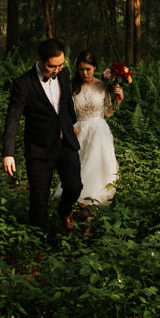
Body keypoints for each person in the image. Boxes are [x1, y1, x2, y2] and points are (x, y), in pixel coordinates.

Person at [2, 39, 82, 235]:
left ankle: (64, 211)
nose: (57, 70)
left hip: (65, 144)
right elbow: (12, 118)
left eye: (60, 65)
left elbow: (67, 102)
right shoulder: (23, 84)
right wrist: (8, 153)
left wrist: (72, 122)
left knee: (74, 187)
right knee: (39, 200)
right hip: (39, 149)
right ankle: (38, 243)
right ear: (39, 60)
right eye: (52, 66)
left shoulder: (64, 74)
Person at [56, 50, 122, 206]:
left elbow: (108, 111)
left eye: (88, 69)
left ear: (95, 68)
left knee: (96, 166)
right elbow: (65, 111)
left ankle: (92, 202)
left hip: (99, 131)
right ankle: (74, 200)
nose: (84, 73)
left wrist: (119, 99)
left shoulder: (103, 85)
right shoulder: (72, 87)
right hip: (78, 130)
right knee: (79, 165)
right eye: (81, 69)